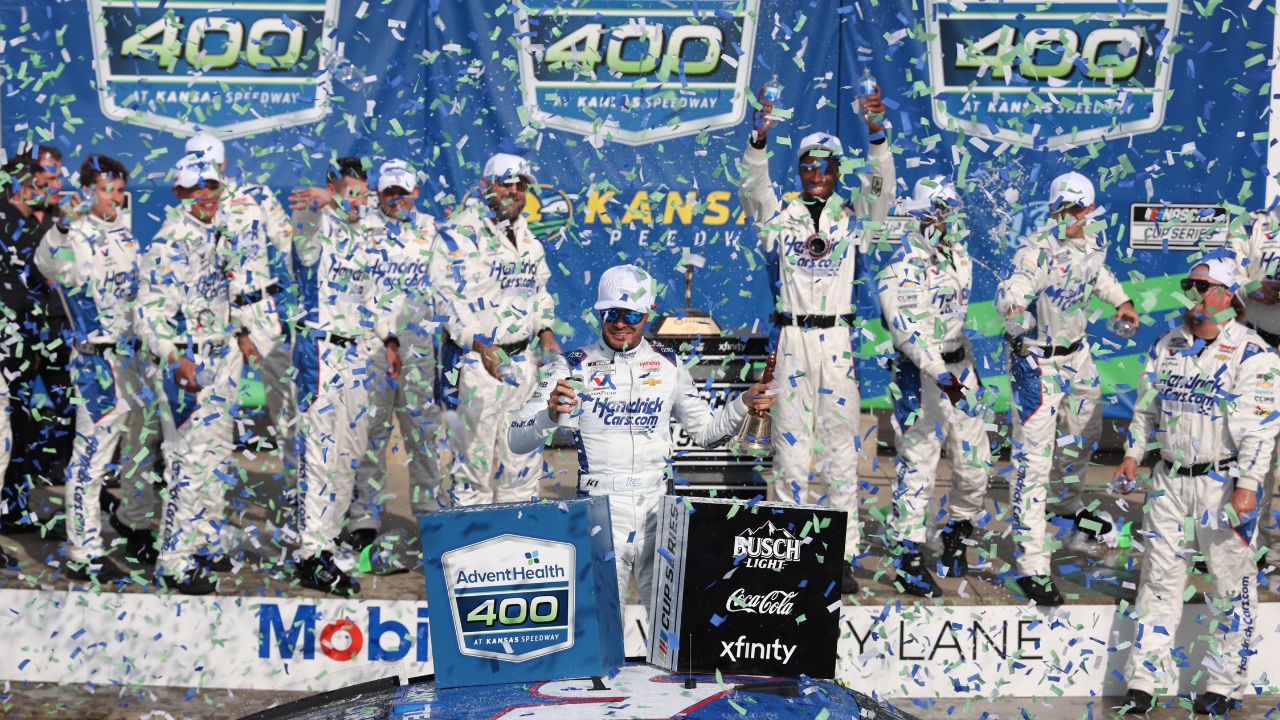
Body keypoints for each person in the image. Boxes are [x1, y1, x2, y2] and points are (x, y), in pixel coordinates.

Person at [508, 264, 776, 604]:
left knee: (666, 627)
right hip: (600, 510)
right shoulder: (572, 365)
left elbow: (707, 433)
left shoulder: (669, 364)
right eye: (611, 313)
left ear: (648, 312)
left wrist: (743, 402)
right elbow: (516, 440)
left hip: (658, 510)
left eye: (631, 315)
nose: (620, 324)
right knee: (606, 627)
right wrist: (547, 417)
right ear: (599, 313)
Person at [737, 82, 895, 593]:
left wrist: (877, 134)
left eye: (827, 166)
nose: (818, 173)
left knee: (840, 451)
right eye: (810, 165)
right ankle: (788, 552)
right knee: (790, 451)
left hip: (837, 342)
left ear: (838, 170)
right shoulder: (778, 218)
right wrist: (758, 139)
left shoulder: (853, 219)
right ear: (801, 169)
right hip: (792, 340)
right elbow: (752, 188)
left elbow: (883, 188)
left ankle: (840, 553)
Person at [1116, 258, 1280, 717]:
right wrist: (1132, 454)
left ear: (1228, 295)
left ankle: (1225, 685)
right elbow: (1145, 410)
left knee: (1231, 587)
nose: (1193, 293)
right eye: (1189, 284)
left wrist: (1248, 485)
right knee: (1158, 582)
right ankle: (1144, 682)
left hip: (1222, 484)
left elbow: (1261, 431)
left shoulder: (1254, 354)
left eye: (1203, 286)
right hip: (1168, 481)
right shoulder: (1167, 344)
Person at [995, 171, 1140, 606]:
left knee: (1085, 435)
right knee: (1033, 462)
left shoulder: (1093, 242)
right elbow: (1017, 284)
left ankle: (1065, 506)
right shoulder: (1037, 249)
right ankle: (1031, 565)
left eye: (1077, 208)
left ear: (1090, 209)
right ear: (1052, 209)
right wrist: (1014, 304)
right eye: (1062, 208)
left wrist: (1122, 301)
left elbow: (1097, 275)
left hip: (1078, 356)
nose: (1069, 215)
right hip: (1037, 360)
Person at [136, 154, 261, 594]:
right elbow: (147, 316)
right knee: (185, 466)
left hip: (219, 359)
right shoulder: (169, 243)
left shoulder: (218, 231)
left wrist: (241, 332)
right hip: (185, 367)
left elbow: (224, 293)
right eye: (197, 189)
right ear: (179, 193)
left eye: (212, 186)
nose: (207, 195)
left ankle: (204, 541)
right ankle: (172, 562)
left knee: (214, 460)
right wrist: (175, 359)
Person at [33, 154, 156, 582]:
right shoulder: (74, 235)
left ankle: (131, 524)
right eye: (107, 190)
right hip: (95, 363)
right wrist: (63, 227)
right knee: (91, 459)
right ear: (88, 191)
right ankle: (83, 551)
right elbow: (46, 263)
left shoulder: (125, 235)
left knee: (136, 450)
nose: (115, 198)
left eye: (120, 190)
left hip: (132, 361)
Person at [289, 157, 400, 596]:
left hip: (358, 353)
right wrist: (324, 203)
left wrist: (389, 341)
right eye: (348, 190)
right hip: (320, 351)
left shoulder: (364, 234)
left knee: (348, 457)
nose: (357, 199)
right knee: (321, 455)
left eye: (361, 191)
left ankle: (329, 541)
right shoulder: (312, 221)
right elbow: (305, 226)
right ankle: (308, 554)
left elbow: (371, 301)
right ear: (332, 186)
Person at [876, 177, 992, 598]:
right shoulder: (900, 268)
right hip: (921, 374)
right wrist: (940, 374)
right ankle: (907, 556)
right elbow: (909, 333)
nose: (944, 221)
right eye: (937, 213)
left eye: (949, 213)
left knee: (977, 461)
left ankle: (958, 531)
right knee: (919, 465)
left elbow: (955, 320)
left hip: (960, 369)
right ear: (920, 216)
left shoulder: (959, 256)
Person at [434, 151, 558, 506]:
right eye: (506, 183)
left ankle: (519, 537)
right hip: (476, 364)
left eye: (521, 185)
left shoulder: (530, 240)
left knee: (523, 464)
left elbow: (539, 292)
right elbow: (446, 300)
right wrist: (480, 345)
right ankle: (472, 539)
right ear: (486, 186)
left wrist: (546, 332)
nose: (514, 191)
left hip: (522, 363)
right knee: (472, 469)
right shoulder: (459, 236)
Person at [349, 158, 445, 548]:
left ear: (415, 192)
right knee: (371, 432)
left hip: (419, 349)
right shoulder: (360, 229)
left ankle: (430, 516)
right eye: (389, 191)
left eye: (402, 191)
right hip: (373, 348)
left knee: (422, 434)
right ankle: (364, 517)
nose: (396, 198)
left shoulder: (433, 231)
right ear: (377, 193)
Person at [0, 144, 74, 545]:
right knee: (10, 426)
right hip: (10, 341)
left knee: (33, 425)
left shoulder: (52, 219)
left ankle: (17, 505)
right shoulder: (4, 217)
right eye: (41, 181)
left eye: (53, 180)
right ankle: (9, 507)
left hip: (45, 336)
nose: (49, 187)